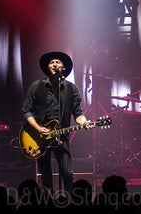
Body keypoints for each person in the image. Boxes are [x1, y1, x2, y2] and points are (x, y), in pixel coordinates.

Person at [21, 51, 95, 195]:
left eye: (58, 62)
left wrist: (84, 122)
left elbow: (78, 114)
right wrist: (38, 128)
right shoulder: (37, 86)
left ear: (63, 67)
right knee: (45, 174)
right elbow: (26, 110)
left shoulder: (71, 89)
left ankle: (70, 200)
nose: (54, 64)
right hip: (39, 137)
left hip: (61, 137)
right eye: (51, 62)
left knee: (67, 173)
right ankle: (48, 200)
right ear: (48, 67)